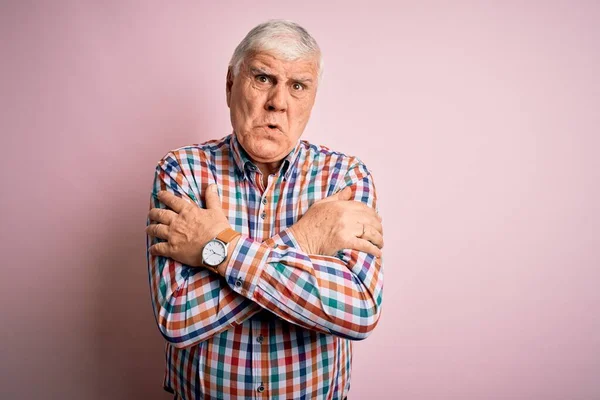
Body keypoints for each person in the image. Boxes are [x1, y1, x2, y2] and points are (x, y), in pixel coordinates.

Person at [145, 19, 384, 400]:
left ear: (312, 98)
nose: (278, 102)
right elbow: (178, 315)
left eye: (298, 86)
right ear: (229, 84)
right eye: (262, 78)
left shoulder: (344, 179)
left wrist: (217, 248)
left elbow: (358, 311)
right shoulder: (182, 172)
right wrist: (304, 239)